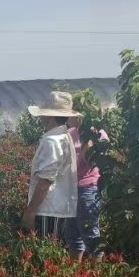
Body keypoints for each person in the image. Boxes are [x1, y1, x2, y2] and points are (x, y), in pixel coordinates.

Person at [20, 91, 80, 240]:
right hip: (58, 208)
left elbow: (46, 180)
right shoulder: (64, 136)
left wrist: (30, 212)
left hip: (49, 209)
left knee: (46, 255)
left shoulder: (52, 140)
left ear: (49, 116)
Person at [64, 116, 108, 260]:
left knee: (91, 238)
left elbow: (92, 161)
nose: (66, 117)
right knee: (74, 238)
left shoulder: (98, 134)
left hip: (87, 190)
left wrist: (88, 140)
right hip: (71, 190)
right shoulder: (69, 133)